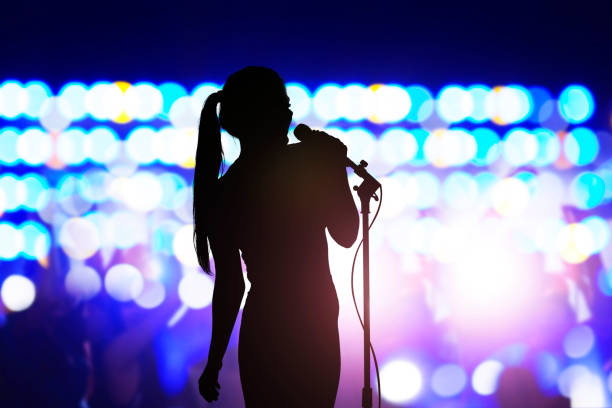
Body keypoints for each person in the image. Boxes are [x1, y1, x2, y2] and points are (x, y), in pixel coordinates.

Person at [193, 66, 359, 407]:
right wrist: (333, 169)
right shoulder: (307, 166)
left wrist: (215, 362)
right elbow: (347, 233)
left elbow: (230, 285)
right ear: (262, 114)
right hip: (315, 325)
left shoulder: (225, 191)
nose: (290, 112)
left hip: (267, 326)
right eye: (282, 104)